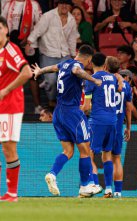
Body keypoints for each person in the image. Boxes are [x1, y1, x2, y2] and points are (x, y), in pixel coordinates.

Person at [32, 45, 102, 197]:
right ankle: (84, 186)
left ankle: (52, 174)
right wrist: (93, 80)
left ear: (77, 53)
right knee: (85, 150)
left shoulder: (65, 63)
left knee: (68, 151)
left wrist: (40, 71)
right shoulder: (77, 65)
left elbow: (53, 67)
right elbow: (77, 71)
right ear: (89, 59)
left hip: (58, 112)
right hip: (72, 113)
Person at [0, 15, 32, 202]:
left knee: (8, 149)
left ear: (6, 31)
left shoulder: (11, 50)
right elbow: (4, 77)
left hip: (10, 107)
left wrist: (7, 89)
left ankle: (12, 194)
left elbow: (27, 72)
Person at [26, 0, 79, 108]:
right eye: (61, 3)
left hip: (64, 54)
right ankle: (51, 100)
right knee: (50, 81)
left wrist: (74, 56)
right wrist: (29, 42)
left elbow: (72, 39)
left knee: (66, 80)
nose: (64, 6)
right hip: (48, 54)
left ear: (70, 6)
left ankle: (60, 103)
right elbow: (37, 31)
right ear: (58, 4)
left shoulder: (71, 20)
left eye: (66, 4)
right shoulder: (48, 16)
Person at [1, 0, 43, 114]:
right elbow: (2, 24)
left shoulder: (34, 5)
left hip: (30, 45)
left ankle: (37, 106)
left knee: (32, 76)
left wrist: (29, 39)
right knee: (12, 75)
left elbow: (40, 25)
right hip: (12, 46)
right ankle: (11, 106)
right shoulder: (8, 5)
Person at [81, 53, 120, 198]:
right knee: (107, 154)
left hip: (98, 121)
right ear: (105, 64)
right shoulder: (113, 78)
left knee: (89, 154)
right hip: (112, 120)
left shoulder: (91, 79)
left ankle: (94, 184)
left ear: (91, 64)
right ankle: (109, 188)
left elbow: (86, 107)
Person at [111, 68, 132, 198]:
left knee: (89, 154)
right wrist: (128, 127)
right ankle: (118, 192)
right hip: (118, 126)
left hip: (104, 124)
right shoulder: (127, 86)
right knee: (116, 159)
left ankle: (104, 187)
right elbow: (129, 109)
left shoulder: (105, 81)